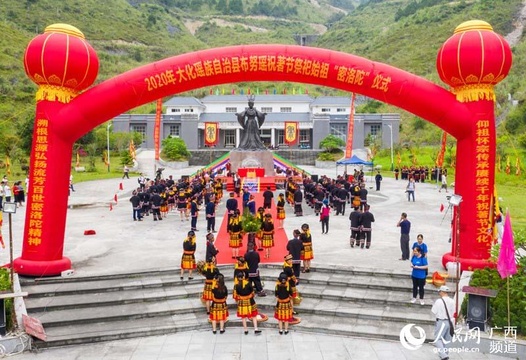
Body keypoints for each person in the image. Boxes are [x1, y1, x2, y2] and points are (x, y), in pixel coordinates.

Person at [431, 285, 455, 360]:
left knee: (438, 338)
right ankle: (445, 353)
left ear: (442, 292)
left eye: (440, 292)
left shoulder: (439, 301)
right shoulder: (452, 301)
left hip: (441, 321)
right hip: (449, 322)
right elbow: (453, 312)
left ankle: (443, 355)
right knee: (447, 338)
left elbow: (434, 311)